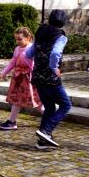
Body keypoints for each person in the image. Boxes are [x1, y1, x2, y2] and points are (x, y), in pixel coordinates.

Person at [27, 9, 71, 150]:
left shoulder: (40, 31)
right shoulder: (60, 36)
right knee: (66, 105)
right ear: (63, 21)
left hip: (38, 76)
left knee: (50, 107)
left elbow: (29, 53)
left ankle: (42, 141)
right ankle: (46, 131)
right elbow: (55, 53)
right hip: (51, 78)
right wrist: (54, 68)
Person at [0, 27, 42, 130]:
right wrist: (3, 73)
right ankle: (12, 121)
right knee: (17, 100)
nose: (17, 41)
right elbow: (13, 62)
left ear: (28, 38)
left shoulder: (32, 49)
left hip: (29, 79)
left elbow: (36, 65)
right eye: (16, 39)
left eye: (20, 39)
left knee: (36, 101)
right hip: (18, 79)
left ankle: (49, 118)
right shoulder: (17, 49)